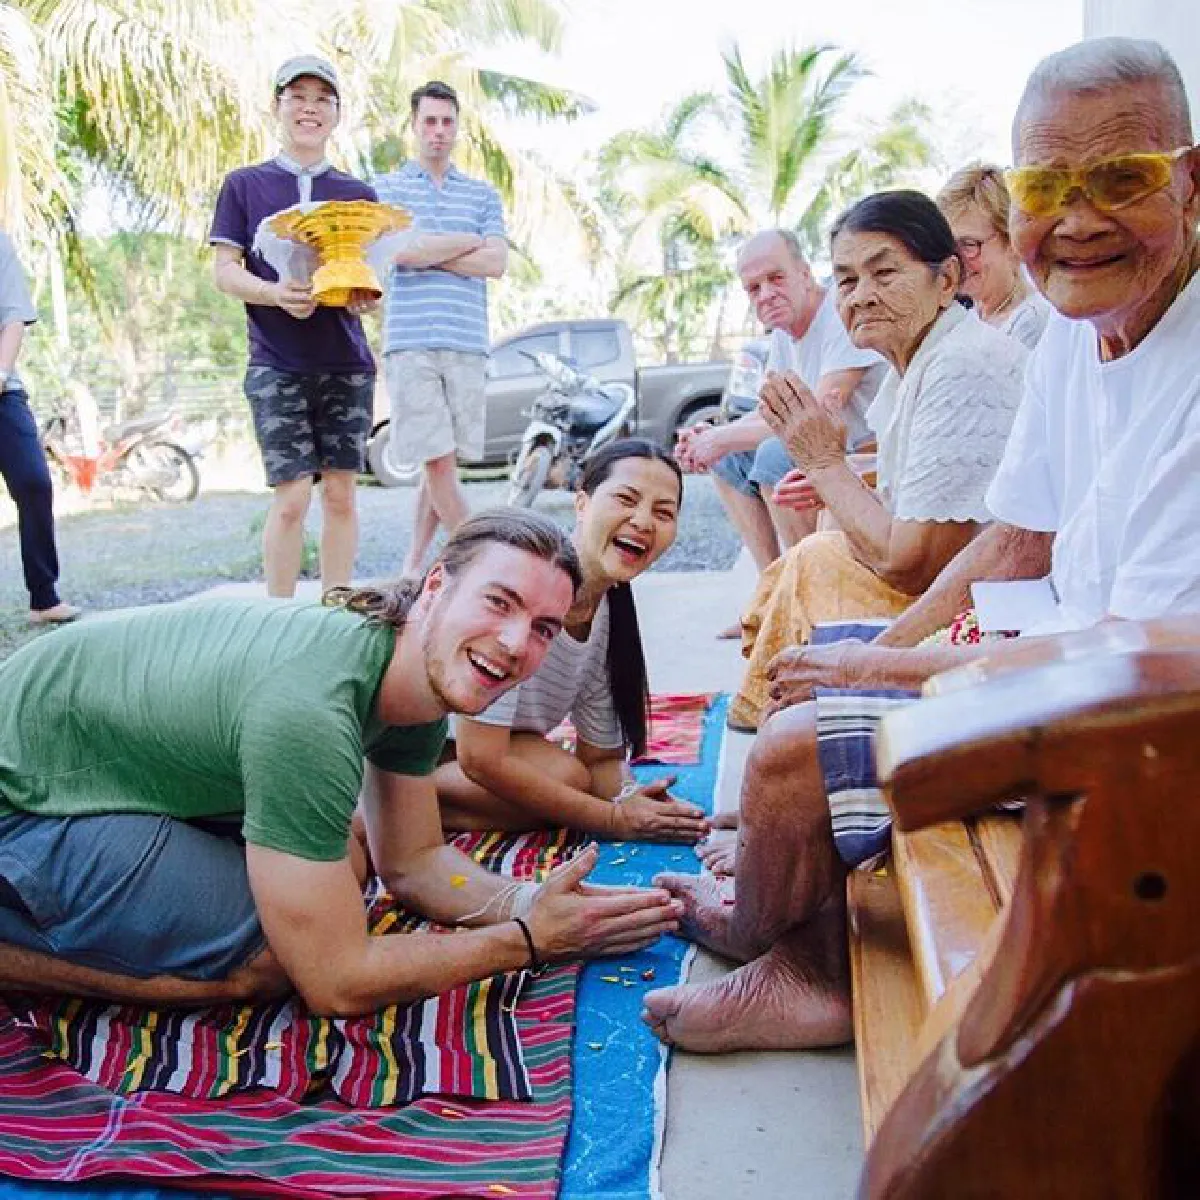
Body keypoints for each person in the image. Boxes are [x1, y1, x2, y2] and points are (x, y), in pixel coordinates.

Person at [641, 36, 1200, 1055]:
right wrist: (877, 648)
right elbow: (1019, 538)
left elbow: (1130, 665)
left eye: (1121, 179)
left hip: (1155, 727)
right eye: (1048, 185)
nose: (1076, 221)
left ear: (1192, 183)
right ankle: (786, 894)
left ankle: (794, 960)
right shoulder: (1084, 329)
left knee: (790, 753)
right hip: (1085, 660)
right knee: (826, 653)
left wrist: (882, 661)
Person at [0, 509, 683, 1015]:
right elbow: (336, 982)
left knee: (350, 855)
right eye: (498, 603)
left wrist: (534, 900)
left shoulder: (410, 676)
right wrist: (528, 940)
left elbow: (413, 862)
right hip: (24, 801)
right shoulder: (312, 708)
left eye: (541, 628)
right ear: (436, 586)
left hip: (101, 761)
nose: (513, 644)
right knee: (271, 962)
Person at [725, 191, 1027, 732]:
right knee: (813, 550)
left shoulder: (960, 366)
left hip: (989, 616)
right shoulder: (915, 365)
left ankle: (774, 726)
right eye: (846, 280)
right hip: (957, 588)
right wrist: (841, 475)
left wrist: (824, 463)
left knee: (813, 560)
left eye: (883, 274)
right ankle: (768, 722)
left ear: (946, 280)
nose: (861, 296)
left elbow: (912, 565)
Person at [435, 440, 709, 843]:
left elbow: (600, 759)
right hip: (429, 749)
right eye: (625, 499)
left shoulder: (608, 612)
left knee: (569, 779)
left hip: (498, 750)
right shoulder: (533, 585)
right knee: (564, 784)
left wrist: (630, 798)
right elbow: (479, 757)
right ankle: (396, 799)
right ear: (581, 504)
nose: (644, 522)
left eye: (663, 513)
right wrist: (611, 819)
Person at [210, 55, 378, 599]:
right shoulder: (244, 185)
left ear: (337, 113)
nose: (310, 108)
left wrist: (361, 298)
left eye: (322, 99)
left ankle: (335, 612)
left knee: (341, 497)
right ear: (277, 107)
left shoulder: (359, 196)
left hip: (346, 363)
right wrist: (275, 294)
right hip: (275, 363)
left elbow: (370, 277)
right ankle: (276, 618)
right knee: (291, 499)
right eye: (297, 96)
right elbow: (225, 272)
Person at [675, 230, 883, 629]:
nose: (765, 294)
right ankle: (771, 591)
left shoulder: (838, 315)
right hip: (825, 448)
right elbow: (767, 412)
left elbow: (809, 416)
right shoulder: (785, 337)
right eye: (753, 288)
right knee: (730, 460)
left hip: (863, 449)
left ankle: (805, 594)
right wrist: (710, 439)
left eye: (776, 278)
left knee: (775, 454)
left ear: (805, 273)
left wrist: (717, 438)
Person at [377, 80, 508, 575]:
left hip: (467, 343)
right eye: (428, 121)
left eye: (446, 121)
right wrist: (466, 241)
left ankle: (414, 565)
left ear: (457, 128)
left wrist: (432, 248)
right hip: (411, 343)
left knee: (443, 465)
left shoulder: (481, 193)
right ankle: (486, 560)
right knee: (436, 463)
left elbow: (496, 263)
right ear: (414, 126)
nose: (438, 130)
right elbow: (399, 251)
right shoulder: (388, 189)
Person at [0, 230, 79, 625]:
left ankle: (43, 598)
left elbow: (14, 315)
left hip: (2, 391)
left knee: (34, 482)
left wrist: (1, 373)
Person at [936, 163, 1051, 349]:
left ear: (1012, 242)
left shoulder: (1031, 322)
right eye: (949, 246)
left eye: (969, 245)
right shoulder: (972, 316)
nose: (956, 260)